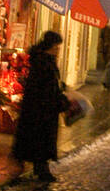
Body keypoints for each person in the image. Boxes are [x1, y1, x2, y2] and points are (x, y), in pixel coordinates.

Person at [12, 30, 69, 182]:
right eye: (57, 47)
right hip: (41, 109)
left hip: (41, 108)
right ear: (50, 46)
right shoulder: (43, 62)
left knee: (38, 139)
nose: (58, 50)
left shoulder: (44, 60)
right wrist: (59, 100)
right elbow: (45, 87)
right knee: (41, 139)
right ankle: (42, 169)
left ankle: (39, 167)